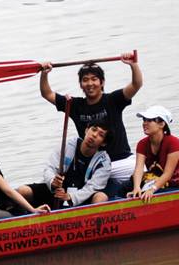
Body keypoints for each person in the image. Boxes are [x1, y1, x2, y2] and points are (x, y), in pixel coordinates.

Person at [38, 52, 142, 199]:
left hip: (120, 161)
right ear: (81, 84)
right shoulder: (74, 105)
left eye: (94, 79)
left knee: (143, 171)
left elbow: (136, 84)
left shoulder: (113, 100)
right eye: (85, 80)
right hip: (93, 167)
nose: (90, 83)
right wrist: (44, 73)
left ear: (102, 82)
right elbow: (47, 93)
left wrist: (133, 65)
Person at [18, 123, 112, 208]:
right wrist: (52, 182)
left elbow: (93, 187)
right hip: (56, 192)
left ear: (103, 143)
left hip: (82, 197)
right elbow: (49, 168)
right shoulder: (67, 144)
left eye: (101, 135)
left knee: (101, 198)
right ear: (86, 130)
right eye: (94, 129)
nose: (94, 135)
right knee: (23, 191)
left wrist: (71, 197)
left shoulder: (104, 162)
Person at [127, 105, 179, 202]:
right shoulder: (142, 144)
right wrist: (136, 188)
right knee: (125, 187)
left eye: (149, 120)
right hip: (155, 182)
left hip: (177, 186)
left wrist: (152, 190)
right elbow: (138, 169)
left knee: (147, 194)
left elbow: (168, 174)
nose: (145, 123)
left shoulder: (174, 142)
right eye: (144, 120)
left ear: (162, 124)